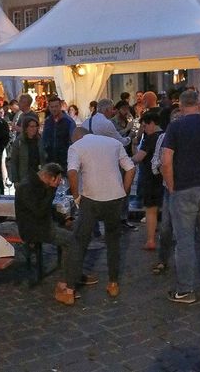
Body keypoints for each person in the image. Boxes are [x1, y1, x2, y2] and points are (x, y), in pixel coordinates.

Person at [161, 90, 200, 303]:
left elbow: (166, 160)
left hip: (183, 188)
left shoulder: (175, 127)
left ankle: (185, 289)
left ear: (180, 106)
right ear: (199, 104)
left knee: (185, 240)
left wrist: (171, 186)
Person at [67, 121, 136, 299]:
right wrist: (125, 191)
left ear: (76, 138)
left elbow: (72, 173)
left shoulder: (76, 147)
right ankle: (113, 283)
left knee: (80, 241)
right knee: (113, 241)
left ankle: (70, 288)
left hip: (90, 198)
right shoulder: (113, 143)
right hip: (114, 197)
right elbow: (130, 168)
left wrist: (76, 197)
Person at [9, 163, 79, 305]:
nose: (59, 183)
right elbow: (40, 211)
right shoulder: (27, 187)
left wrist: (63, 218)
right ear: (50, 178)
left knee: (73, 232)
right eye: (58, 180)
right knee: (71, 241)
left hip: (42, 225)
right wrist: (52, 190)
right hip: (34, 229)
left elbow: (48, 209)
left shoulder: (38, 185)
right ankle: (64, 283)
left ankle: (72, 273)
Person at [133, 109, 164, 251]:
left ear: (151, 123)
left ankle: (151, 240)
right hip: (164, 177)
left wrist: (133, 148)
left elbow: (138, 158)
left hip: (150, 178)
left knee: (150, 210)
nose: (144, 129)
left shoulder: (150, 138)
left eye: (144, 126)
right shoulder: (165, 135)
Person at [7, 116, 46, 187]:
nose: (34, 129)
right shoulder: (19, 142)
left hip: (38, 176)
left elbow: (43, 159)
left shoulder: (40, 141)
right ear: (26, 128)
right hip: (24, 178)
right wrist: (15, 180)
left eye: (36, 126)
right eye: (31, 126)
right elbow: (14, 162)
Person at [42, 97, 75, 168]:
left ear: (60, 106)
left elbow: (73, 142)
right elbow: (44, 140)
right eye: (52, 107)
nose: (54, 109)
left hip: (65, 161)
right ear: (49, 108)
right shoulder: (47, 121)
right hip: (50, 161)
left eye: (56, 106)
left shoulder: (69, 122)